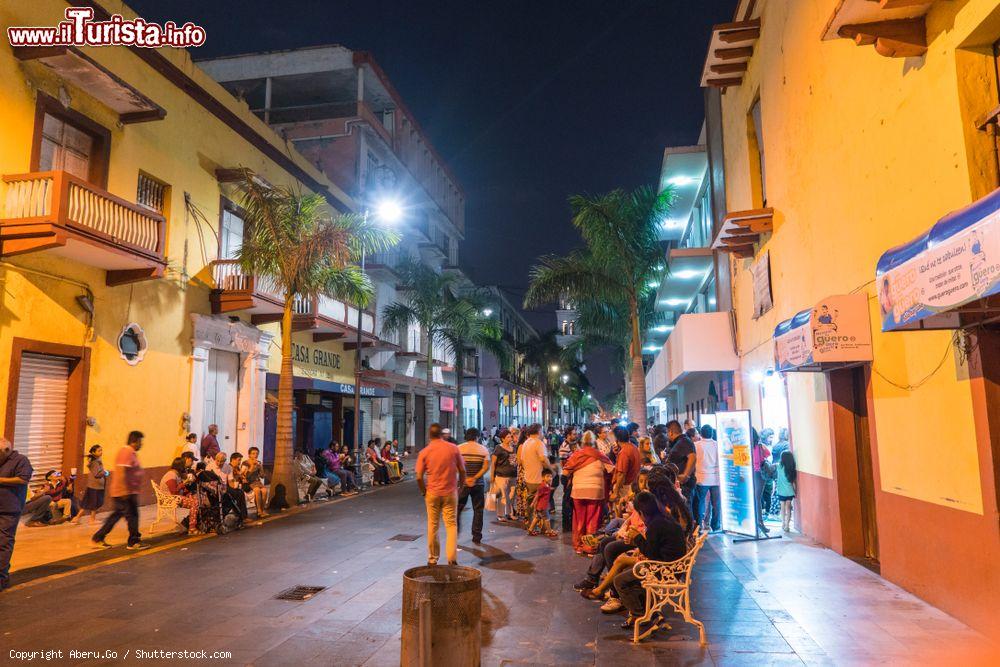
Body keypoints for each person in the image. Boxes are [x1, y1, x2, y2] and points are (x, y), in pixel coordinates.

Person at [612, 492, 687, 638]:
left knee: (619, 581)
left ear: (641, 512)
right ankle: (648, 612)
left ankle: (640, 616)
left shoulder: (655, 525)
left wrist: (637, 538)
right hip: (673, 567)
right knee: (628, 571)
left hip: (664, 570)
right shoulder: (665, 519)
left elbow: (651, 554)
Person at [415, 423, 466, 566]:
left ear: (429, 435)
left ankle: (432, 558)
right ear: (442, 434)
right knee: (451, 525)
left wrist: (423, 491)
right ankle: (452, 558)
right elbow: (462, 471)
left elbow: (419, 476)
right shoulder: (453, 448)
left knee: (433, 525)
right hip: (450, 492)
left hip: (432, 493)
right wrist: (461, 487)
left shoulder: (424, 452)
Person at [92, 431, 147, 550]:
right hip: (125, 492)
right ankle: (133, 541)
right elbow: (122, 472)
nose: (141, 445)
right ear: (134, 441)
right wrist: (124, 491)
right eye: (140, 442)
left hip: (126, 491)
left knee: (117, 515)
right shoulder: (126, 451)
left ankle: (98, 537)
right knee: (132, 516)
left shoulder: (130, 452)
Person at [563, 430, 613, 554]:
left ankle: (578, 545)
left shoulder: (576, 455)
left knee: (579, 519)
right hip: (595, 492)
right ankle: (590, 547)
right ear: (594, 442)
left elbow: (564, 473)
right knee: (592, 520)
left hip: (578, 492)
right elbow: (612, 470)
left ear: (582, 442)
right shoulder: (600, 455)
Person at [0, 438, 32, 591]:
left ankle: (1, 578)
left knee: (4, 542)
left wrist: (1, 480)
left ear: (6, 451)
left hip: (9, 508)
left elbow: (23, 479)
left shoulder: (21, 460)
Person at [457, 427, 491, 544]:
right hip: (478, 484)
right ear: (477, 437)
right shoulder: (483, 449)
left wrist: (465, 478)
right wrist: (475, 478)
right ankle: (476, 535)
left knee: (458, 508)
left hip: (463, 484)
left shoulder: (459, 449)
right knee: (478, 510)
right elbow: (486, 467)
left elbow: (455, 465)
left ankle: (455, 532)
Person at [516, 424, 550, 529]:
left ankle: (530, 525)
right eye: (542, 431)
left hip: (528, 478)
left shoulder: (525, 443)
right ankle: (545, 527)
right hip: (539, 478)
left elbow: (520, 461)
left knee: (530, 503)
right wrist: (551, 470)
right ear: (539, 431)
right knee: (542, 503)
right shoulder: (539, 443)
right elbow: (543, 459)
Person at [159, 458, 200, 535]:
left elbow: (180, 489)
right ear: (180, 466)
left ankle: (189, 523)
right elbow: (174, 491)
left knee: (197, 499)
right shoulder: (170, 475)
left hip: (175, 497)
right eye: (184, 465)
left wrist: (189, 493)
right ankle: (192, 528)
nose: (186, 467)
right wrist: (184, 483)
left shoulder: (176, 474)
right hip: (170, 499)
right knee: (195, 503)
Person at [692, 425, 721, 532]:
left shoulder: (696, 445)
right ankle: (716, 525)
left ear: (701, 433)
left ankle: (699, 525)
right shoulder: (717, 445)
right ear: (712, 433)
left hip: (701, 478)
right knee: (716, 504)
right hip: (716, 478)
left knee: (700, 503)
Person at [73, 444, 108, 524]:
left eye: (101, 450)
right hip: (96, 486)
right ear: (93, 452)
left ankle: (76, 518)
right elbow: (97, 474)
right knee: (94, 503)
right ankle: (92, 520)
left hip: (92, 485)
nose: (101, 452)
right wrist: (105, 472)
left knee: (86, 502)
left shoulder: (95, 461)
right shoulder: (95, 462)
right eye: (99, 451)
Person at [665, 420, 697, 501]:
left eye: (667, 432)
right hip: (679, 483)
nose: (667, 435)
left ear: (671, 432)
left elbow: (692, 457)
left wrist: (686, 475)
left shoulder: (683, 441)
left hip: (684, 486)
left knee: (685, 509)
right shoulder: (679, 442)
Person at [490, 428, 516, 522]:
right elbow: (493, 463)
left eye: (510, 436)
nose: (510, 438)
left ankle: (510, 513)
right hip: (501, 475)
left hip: (513, 475)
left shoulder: (513, 448)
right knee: (502, 496)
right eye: (508, 437)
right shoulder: (498, 448)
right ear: (503, 438)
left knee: (512, 496)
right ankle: (500, 515)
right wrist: (492, 476)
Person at [611, 426, 641, 502]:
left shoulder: (624, 452)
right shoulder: (634, 448)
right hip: (633, 485)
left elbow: (621, 474)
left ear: (617, 439)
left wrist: (615, 492)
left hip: (625, 488)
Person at [751, 428, 772, 535]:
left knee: (753, 499)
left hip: (749, 474)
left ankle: (756, 522)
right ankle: (759, 522)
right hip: (760, 474)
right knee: (757, 499)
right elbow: (768, 454)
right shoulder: (760, 446)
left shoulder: (745, 447)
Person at [527, 470, 558, 538]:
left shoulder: (547, 485)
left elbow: (548, 489)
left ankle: (530, 529)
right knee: (547, 519)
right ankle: (550, 532)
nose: (550, 478)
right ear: (543, 478)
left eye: (551, 476)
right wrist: (533, 503)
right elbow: (537, 495)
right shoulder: (542, 486)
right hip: (542, 507)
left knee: (537, 518)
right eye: (547, 476)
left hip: (541, 506)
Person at [243, 446, 270, 517]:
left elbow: (262, 476)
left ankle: (262, 509)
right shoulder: (245, 463)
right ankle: (259, 511)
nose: (255, 455)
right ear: (249, 454)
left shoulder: (259, 463)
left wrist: (261, 468)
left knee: (265, 491)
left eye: (257, 453)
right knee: (257, 490)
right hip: (249, 482)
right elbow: (246, 476)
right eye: (253, 453)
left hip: (257, 482)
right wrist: (252, 466)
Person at [776, 450, 797, 532]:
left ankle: (783, 523)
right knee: (788, 508)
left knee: (782, 508)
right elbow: (793, 482)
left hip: (781, 491)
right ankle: (787, 526)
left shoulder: (779, 467)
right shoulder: (791, 469)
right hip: (789, 491)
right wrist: (795, 490)